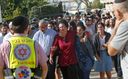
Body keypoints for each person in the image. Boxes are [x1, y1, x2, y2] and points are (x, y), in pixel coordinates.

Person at [107, 0, 128, 79]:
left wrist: (115, 28)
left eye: (113, 12)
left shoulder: (125, 25)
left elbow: (111, 51)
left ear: (118, 12)